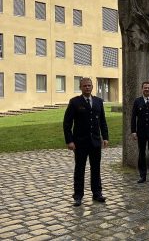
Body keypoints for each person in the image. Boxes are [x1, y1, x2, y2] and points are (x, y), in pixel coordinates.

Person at [63, 77, 109, 207]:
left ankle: (97, 193)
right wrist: (70, 141)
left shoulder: (99, 102)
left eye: (89, 85)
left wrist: (105, 138)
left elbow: (103, 122)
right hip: (80, 142)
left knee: (96, 169)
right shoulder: (74, 102)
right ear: (81, 87)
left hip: (95, 142)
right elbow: (67, 123)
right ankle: (78, 196)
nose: (87, 87)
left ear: (92, 87)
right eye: (84, 86)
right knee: (80, 169)